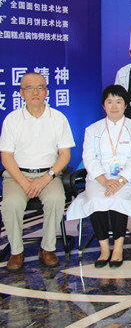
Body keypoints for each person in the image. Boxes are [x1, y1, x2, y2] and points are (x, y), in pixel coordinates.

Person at [0, 72, 75, 271]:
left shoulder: (58, 118)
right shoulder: (12, 119)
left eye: (40, 87)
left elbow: (65, 155)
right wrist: (24, 182)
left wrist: (45, 178)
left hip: (48, 175)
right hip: (17, 176)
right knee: (11, 203)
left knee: (56, 199)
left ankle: (47, 248)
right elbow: (6, 157)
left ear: (46, 91)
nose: (35, 92)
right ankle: (17, 251)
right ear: (21, 93)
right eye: (29, 88)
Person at [66, 85, 131, 268]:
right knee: (97, 199)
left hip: (126, 179)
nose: (114, 106)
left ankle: (118, 248)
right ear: (104, 105)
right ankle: (104, 249)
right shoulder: (93, 129)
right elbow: (89, 157)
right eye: (109, 102)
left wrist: (120, 181)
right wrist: (103, 180)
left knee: (117, 198)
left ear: (125, 105)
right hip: (99, 179)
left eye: (118, 102)